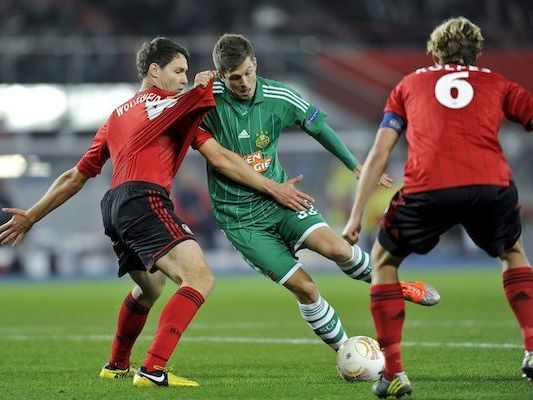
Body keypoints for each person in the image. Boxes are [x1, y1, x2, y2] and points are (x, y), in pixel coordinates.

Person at [0, 37, 315, 388]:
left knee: (150, 288)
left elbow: (74, 176)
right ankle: (153, 369)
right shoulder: (172, 105)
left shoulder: (118, 115)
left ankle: (117, 364)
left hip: (115, 205)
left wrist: (32, 215)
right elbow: (219, 153)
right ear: (154, 70)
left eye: (186, 73)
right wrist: (203, 86)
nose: (184, 77)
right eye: (178, 70)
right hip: (145, 198)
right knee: (199, 278)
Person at [195, 33, 440, 354]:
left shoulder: (281, 96)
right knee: (307, 288)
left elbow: (319, 127)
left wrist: (355, 166)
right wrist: (194, 87)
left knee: (338, 249)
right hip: (241, 221)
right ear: (221, 75)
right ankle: (347, 352)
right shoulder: (206, 99)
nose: (244, 82)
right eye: (234, 78)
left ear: (255, 63)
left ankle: (400, 287)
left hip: (282, 202)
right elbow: (180, 118)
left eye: (248, 73)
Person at [342, 16, 533, 398]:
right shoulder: (498, 83)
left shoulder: (408, 85)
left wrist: (355, 216)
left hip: (429, 186)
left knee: (383, 261)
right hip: (489, 184)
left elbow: (381, 151)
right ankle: (532, 347)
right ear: (477, 52)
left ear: (432, 52)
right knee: (513, 253)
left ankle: (394, 372)